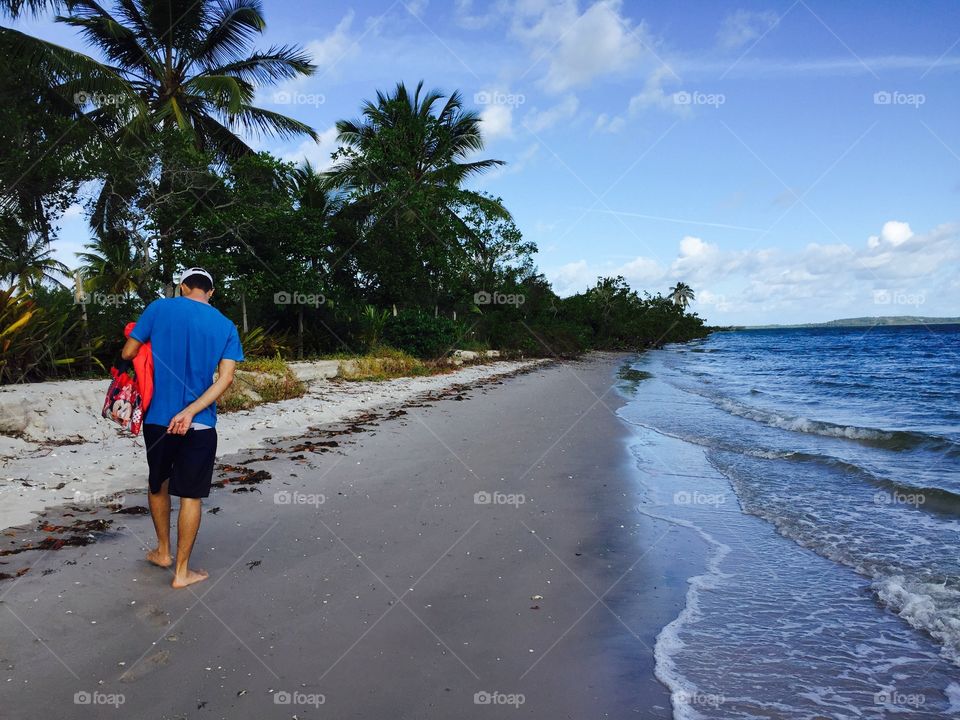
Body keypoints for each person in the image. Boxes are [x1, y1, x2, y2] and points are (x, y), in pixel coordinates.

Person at [121, 268, 244, 589]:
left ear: (183, 287)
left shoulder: (159, 308)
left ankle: (163, 552)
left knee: (157, 484)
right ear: (211, 293)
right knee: (190, 495)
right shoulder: (226, 325)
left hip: (158, 418)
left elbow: (128, 352)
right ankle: (182, 572)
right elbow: (227, 378)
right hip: (200, 423)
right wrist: (190, 411)